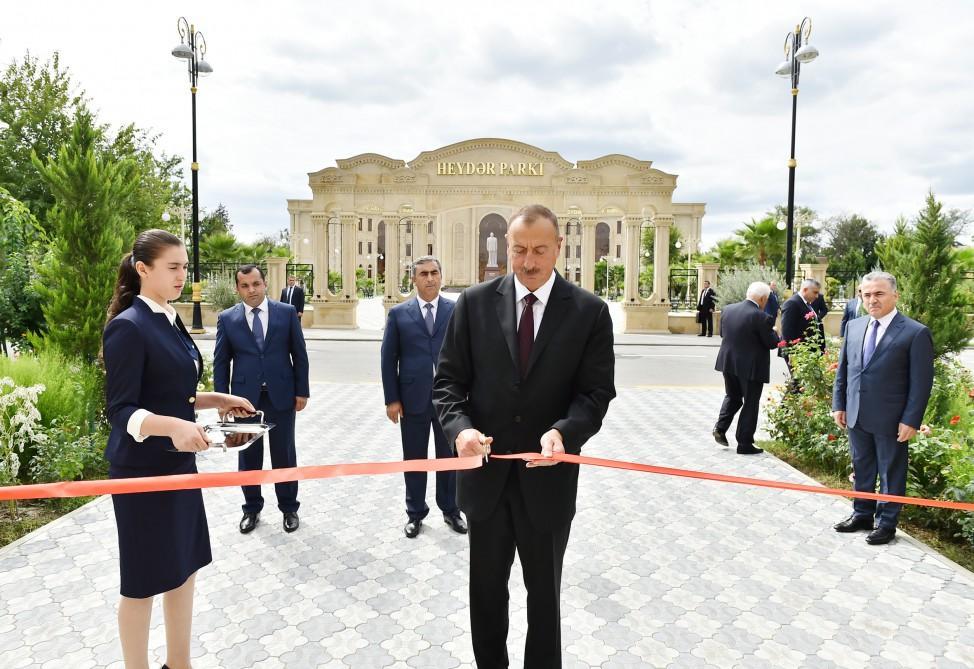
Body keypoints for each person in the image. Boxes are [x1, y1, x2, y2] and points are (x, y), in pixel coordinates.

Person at [434, 204, 616, 668]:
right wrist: (461, 430)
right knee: (486, 596)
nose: (529, 261)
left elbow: (595, 394)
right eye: (519, 250)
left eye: (539, 250)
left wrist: (563, 433)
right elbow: (448, 384)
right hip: (485, 481)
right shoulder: (473, 304)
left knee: (544, 600)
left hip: (549, 483)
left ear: (559, 248)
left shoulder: (590, 313)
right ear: (506, 248)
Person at [103, 229, 255, 669]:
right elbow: (122, 410)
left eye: (185, 267)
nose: (182, 275)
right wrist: (172, 427)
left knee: (183, 569)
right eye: (173, 267)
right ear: (142, 269)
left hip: (178, 465)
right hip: (141, 472)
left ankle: (180, 663)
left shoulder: (169, 317)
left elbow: (176, 392)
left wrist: (217, 399)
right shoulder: (128, 327)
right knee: (143, 581)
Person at [831, 271, 934, 545]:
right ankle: (862, 514)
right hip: (856, 413)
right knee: (862, 466)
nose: (872, 299)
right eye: (866, 295)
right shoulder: (854, 327)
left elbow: (921, 383)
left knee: (891, 471)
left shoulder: (915, 332)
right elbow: (844, 370)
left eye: (879, 294)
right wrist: (838, 404)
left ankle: (886, 523)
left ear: (895, 295)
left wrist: (911, 420)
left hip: (892, 419)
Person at [214, 265, 310, 534]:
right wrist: (223, 401)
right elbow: (221, 362)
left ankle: (289, 508)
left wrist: (302, 391)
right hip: (244, 402)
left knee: (284, 453)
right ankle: (251, 509)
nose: (251, 290)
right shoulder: (227, 318)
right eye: (245, 286)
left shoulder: (286, 313)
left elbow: (299, 355)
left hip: (282, 396)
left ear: (265, 284)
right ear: (237, 288)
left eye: (256, 284)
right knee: (248, 456)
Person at [380, 255, 466, 538]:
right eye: (424, 274)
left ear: (441, 277)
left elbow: (468, 356)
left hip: (449, 402)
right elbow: (388, 359)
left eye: (434, 273)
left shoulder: (456, 311)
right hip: (412, 400)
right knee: (414, 459)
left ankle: (451, 510)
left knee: (449, 458)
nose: (430, 278)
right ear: (414, 279)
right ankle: (415, 513)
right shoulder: (399, 314)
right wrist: (392, 399)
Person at [712, 282, 780, 455]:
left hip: (728, 363)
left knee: (733, 396)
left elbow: (723, 334)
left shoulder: (728, 309)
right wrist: (775, 331)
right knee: (750, 403)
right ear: (763, 298)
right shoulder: (761, 317)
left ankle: (720, 428)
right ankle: (744, 443)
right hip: (751, 368)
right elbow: (772, 343)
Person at [781, 278, 826, 353]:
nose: (817, 296)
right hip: (798, 353)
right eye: (815, 292)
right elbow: (787, 332)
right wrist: (791, 354)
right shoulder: (792, 304)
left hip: (807, 352)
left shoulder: (807, 303)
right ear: (805, 290)